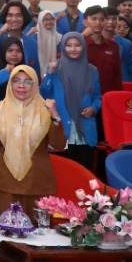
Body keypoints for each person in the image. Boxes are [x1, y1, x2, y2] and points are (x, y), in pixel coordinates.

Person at [0, 64, 65, 217]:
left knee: (38, 237)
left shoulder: (45, 110)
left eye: (28, 81)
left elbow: (59, 145)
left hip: (38, 184)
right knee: (5, 234)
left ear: (35, 84)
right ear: (10, 84)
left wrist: (54, 116)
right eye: (16, 81)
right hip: (4, 183)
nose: (21, 86)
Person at [43, 32, 102, 172]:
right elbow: (45, 93)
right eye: (68, 45)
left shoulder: (92, 71)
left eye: (77, 45)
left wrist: (93, 108)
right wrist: (49, 74)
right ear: (63, 48)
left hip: (85, 130)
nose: (73, 49)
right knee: (65, 173)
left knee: (85, 172)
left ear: (83, 47)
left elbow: (98, 96)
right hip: (63, 129)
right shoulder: (55, 69)